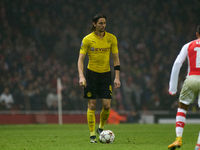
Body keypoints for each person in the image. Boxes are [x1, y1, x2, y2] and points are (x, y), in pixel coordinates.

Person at [77, 14, 121, 143]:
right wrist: (81, 76)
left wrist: (117, 77)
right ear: (94, 24)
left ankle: (100, 128)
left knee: (107, 106)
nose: (103, 25)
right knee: (92, 105)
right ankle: (92, 135)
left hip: (106, 74)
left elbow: (116, 58)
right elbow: (80, 59)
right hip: (91, 74)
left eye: (104, 23)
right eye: (100, 23)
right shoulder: (87, 39)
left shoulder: (111, 38)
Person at [168, 25, 200, 150]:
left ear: (197, 34)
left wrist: (173, 88)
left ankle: (178, 138)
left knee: (182, 107)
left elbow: (177, 64)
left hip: (191, 78)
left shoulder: (188, 45)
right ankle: (198, 146)